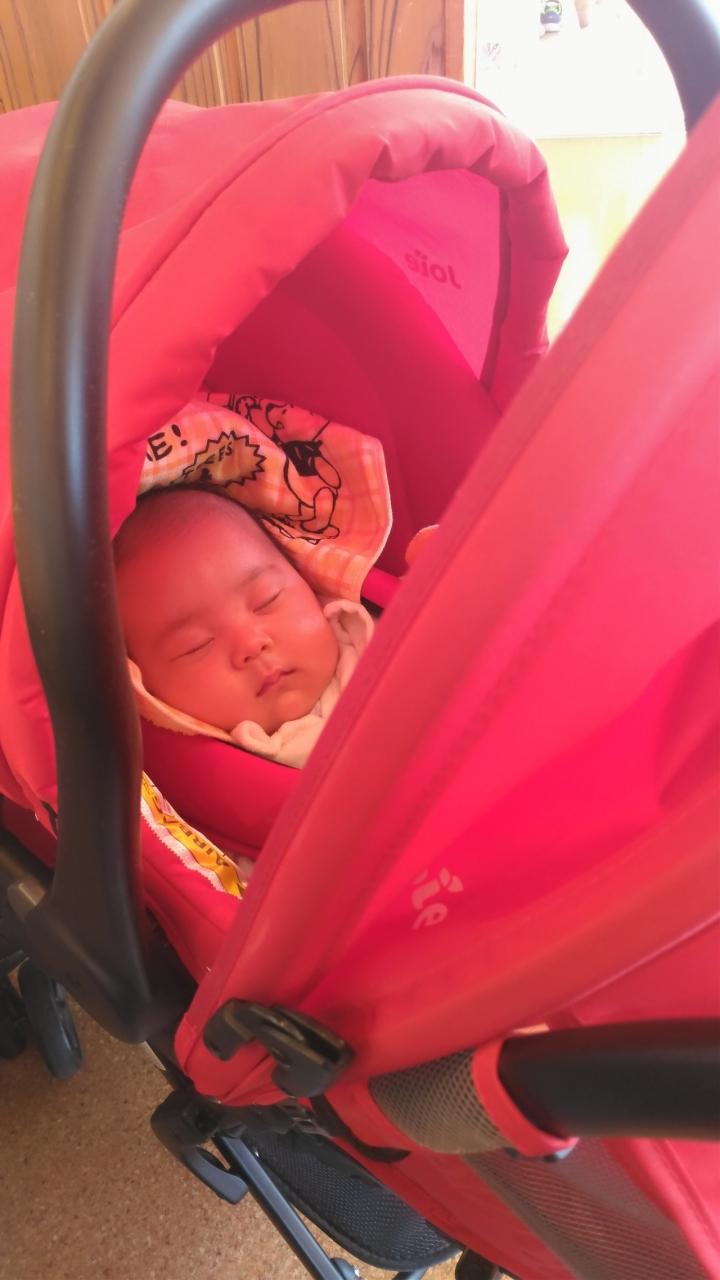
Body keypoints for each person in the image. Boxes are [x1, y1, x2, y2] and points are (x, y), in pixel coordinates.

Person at [114, 486, 374, 771]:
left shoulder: (374, 638)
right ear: (149, 696)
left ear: (305, 580)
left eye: (267, 598)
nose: (251, 644)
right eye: (196, 645)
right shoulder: (200, 779)